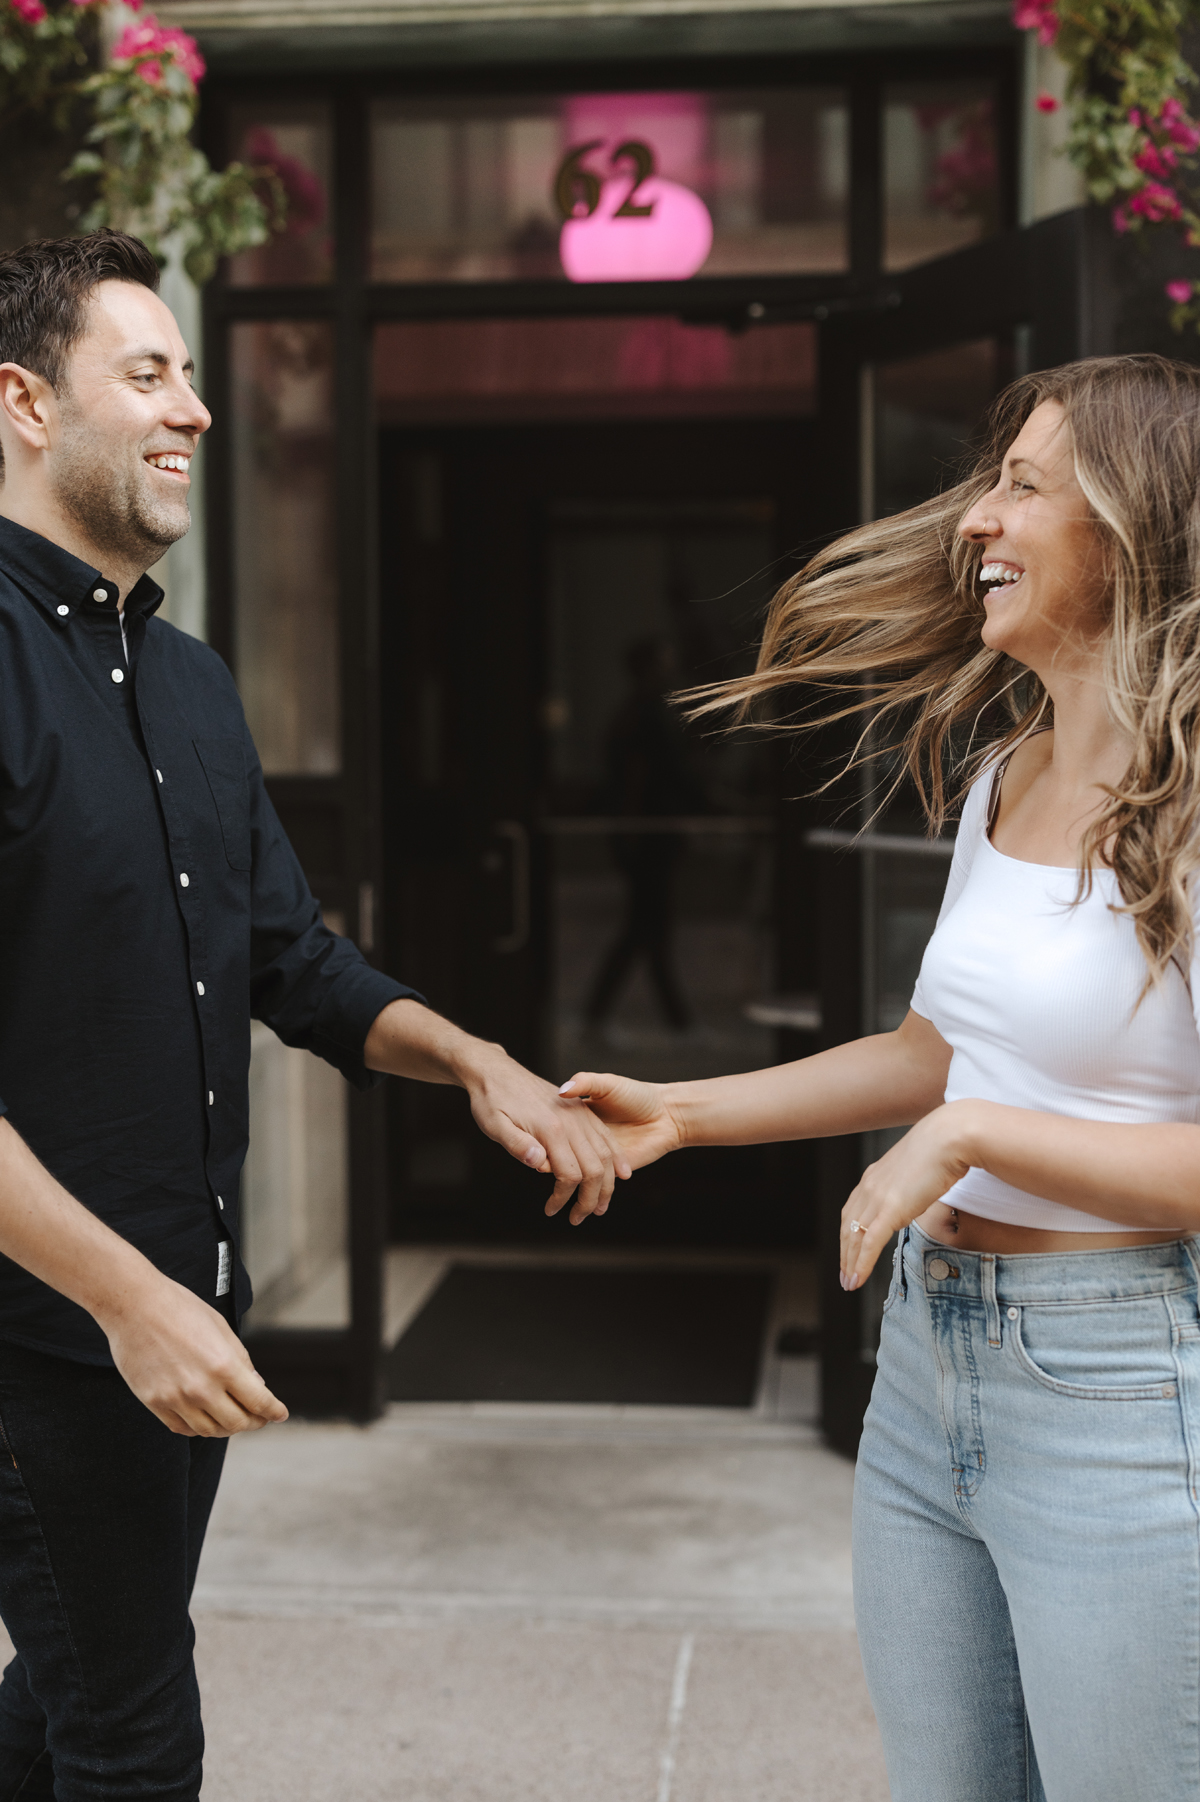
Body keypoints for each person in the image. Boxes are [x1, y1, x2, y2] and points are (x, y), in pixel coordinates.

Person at [0, 229, 625, 1802]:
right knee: (135, 1737)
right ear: (21, 401)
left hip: (188, 1311)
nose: (195, 409)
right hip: (49, 1330)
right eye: (146, 372)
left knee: (69, 1683)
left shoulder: (196, 681)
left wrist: (474, 1057)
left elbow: (294, 959)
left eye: (191, 375)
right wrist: (128, 1301)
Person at [558, 354, 1200, 1801]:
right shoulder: (1007, 778)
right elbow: (932, 1053)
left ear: (1135, 524)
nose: (977, 518)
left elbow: (978, 1103)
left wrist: (973, 1130)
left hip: (1118, 1382)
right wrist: (685, 1113)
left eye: (1023, 485)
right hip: (929, 1363)